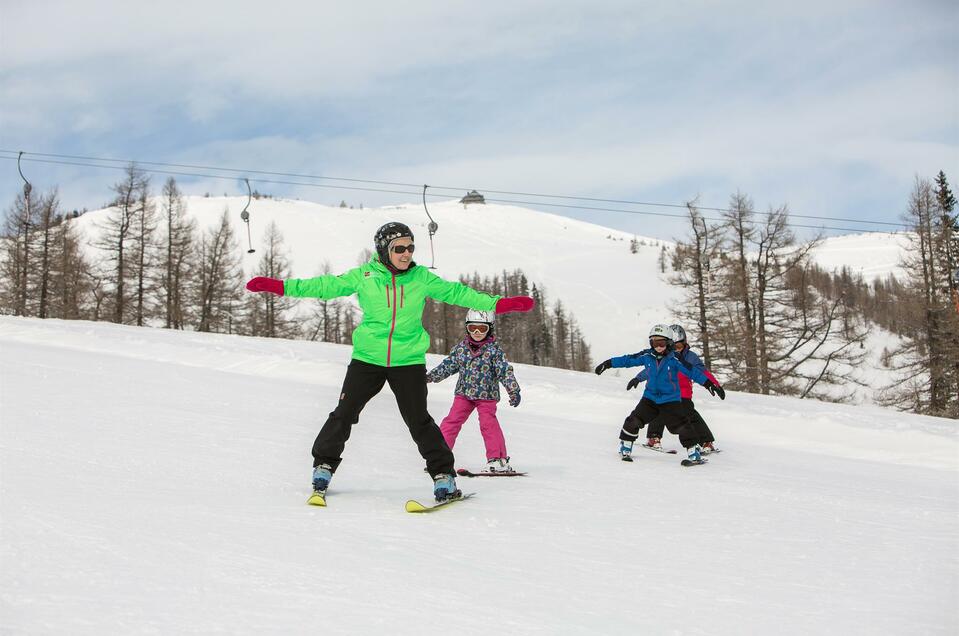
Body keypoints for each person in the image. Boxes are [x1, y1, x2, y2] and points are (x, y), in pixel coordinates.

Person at [245, 221, 535, 502]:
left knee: (419, 421)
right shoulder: (365, 276)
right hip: (367, 359)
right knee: (344, 413)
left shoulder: (421, 278)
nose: (406, 253)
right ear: (385, 250)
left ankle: (443, 476)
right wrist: (278, 287)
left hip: (407, 361)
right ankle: (323, 466)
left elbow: (458, 293)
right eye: (399, 248)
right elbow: (324, 286)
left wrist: (500, 304)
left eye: (410, 247)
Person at [594, 323, 723, 464]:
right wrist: (608, 363)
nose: (659, 347)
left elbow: (692, 371)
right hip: (650, 399)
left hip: (670, 400)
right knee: (634, 420)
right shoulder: (647, 355)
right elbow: (628, 360)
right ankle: (625, 446)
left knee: (682, 426)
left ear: (668, 343)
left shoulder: (675, 359)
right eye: (655, 343)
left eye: (662, 343)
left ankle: (693, 453)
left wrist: (709, 384)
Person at [426, 309, 521, 473]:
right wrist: (430, 377)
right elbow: (448, 366)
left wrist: (513, 390)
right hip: (464, 394)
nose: (477, 332)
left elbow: (504, 371)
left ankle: (497, 459)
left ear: (490, 328)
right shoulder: (461, 349)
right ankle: (439, 458)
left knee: (488, 424)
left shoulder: (494, 351)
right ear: (467, 328)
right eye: (472, 328)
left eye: (482, 329)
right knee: (451, 422)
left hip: (486, 396)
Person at [632, 324, 725, 453]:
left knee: (689, 414)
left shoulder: (690, 357)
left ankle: (706, 442)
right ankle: (654, 438)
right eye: (674, 347)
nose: (677, 350)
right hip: (665, 392)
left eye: (679, 346)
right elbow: (650, 370)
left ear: (685, 344)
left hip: (683, 394)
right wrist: (638, 378)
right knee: (658, 410)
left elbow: (702, 372)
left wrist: (715, 385)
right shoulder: (664, 356)